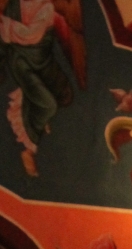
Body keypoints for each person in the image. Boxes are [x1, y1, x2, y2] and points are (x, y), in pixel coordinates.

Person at [0, 0, 85, 176]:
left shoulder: (46, 7)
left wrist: (5, 24)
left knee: (65, 95)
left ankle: (35, 109)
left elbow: (31, 35)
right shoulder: (14, 5)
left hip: (43, 61)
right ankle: (29, 150)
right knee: (48, 105)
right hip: (22, 62)